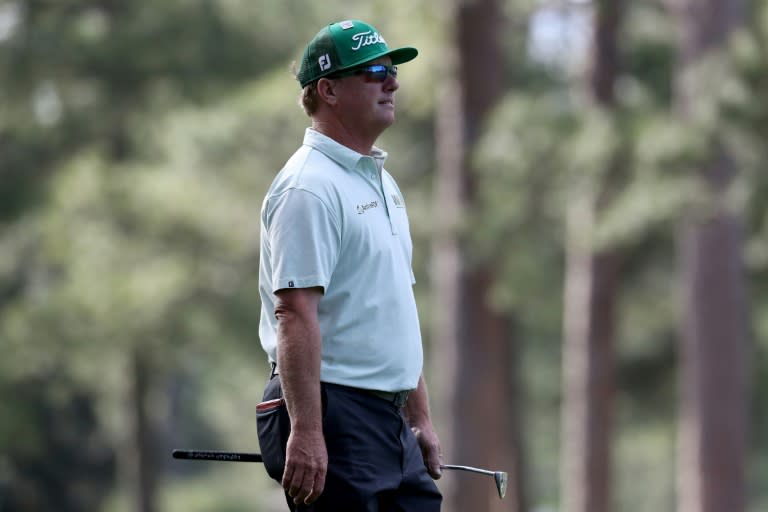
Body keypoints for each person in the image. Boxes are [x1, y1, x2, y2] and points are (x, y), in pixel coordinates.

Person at [256, 19, 443, 512]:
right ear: (328, 90)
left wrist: (419, 416)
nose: (393, 81)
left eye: (393, 70)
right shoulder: (308, 187)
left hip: (388, 416)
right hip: (336, 410)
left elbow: (394, 306)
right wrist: (309, 431)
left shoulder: (382, 184)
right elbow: (294, 314)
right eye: (376, 70)